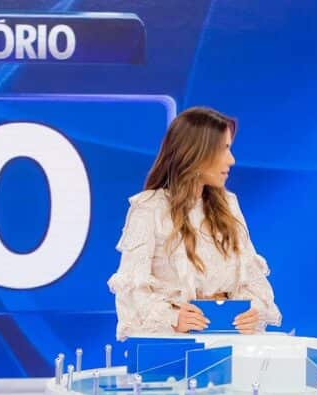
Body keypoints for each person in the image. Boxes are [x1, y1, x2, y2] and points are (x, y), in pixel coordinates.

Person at [107, 106, 281, 340]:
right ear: (197, 153)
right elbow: (131, 287)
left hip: (231, 343)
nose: (232, 160)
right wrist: (172, 318)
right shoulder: (149, 208)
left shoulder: (229, 205)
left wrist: (254, 311)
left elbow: (252, 278)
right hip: (177, 348)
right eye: (224, 149)